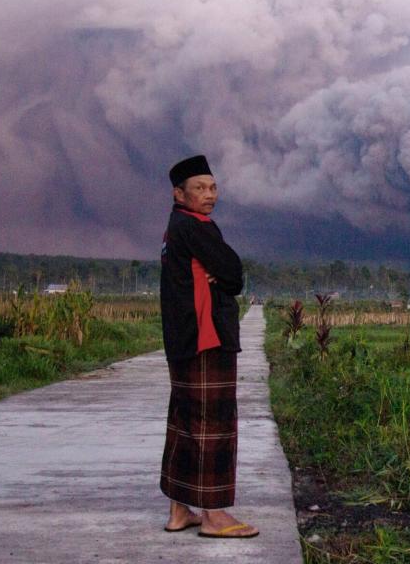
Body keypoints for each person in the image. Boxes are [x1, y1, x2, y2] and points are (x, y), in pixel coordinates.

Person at [159, 154, 259, 538]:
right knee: (213, 427)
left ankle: (179, 511)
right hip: (206, 341)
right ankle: (215, 515)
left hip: (183, 342)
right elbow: (234, 274)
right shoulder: (196, 227)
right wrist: (224, 274)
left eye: (213, 187)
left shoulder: (174, 229)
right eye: (199, 188)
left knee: (185, 424)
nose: (209, 195)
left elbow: (225, 273)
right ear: (178, 193)